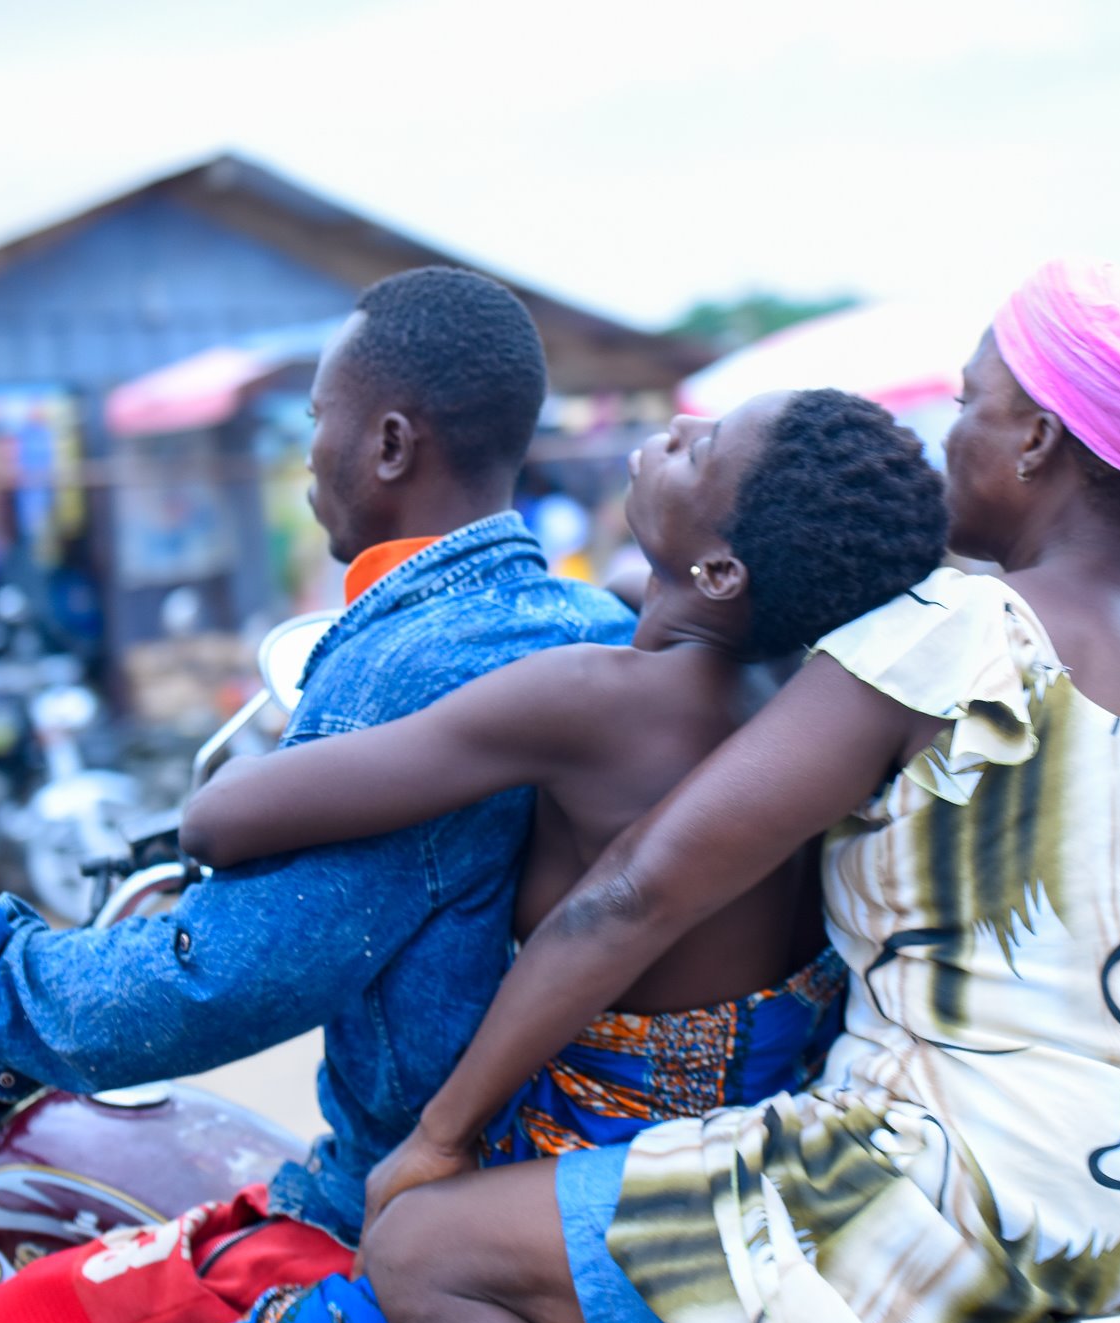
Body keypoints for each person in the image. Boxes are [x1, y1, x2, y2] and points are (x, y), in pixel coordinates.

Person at [285, 257, 1120, 1323]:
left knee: (427, 1249)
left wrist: (437, 1135)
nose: (948, 438)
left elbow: (635, 893)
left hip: (950, 1196)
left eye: (967, 405)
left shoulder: (949, 634)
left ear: (1037, 441)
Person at [0, 267, 638, 1323]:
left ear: (387, 445)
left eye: (317, 420)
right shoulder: (582, 616)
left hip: (400, 1216)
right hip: (548, 1177)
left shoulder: (416, 660)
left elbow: (212, 979)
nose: (305, 454)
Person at [178, 387, 948, 1176]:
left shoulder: (591, 697)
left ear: (720, 570)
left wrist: (234, 771)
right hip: (770, 1134)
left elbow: (218, 820)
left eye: (701, 450)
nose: (675, 426)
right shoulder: (810, 692)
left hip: (586, 1161)